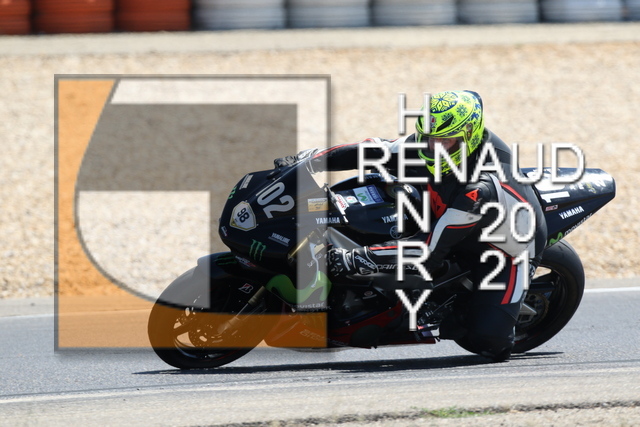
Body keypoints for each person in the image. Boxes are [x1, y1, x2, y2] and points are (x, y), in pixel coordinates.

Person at [274, 90, 547, 362]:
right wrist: (309, 160)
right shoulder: (430, 145)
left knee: (488, 342)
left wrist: (354, 258)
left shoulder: (480, 187)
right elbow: (371, 150)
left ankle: (458, 305)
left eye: (445, 141)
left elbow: (430, 250)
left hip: (505, 249)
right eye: (430, 139)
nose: (434, 147)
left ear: (469, 135)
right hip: (449, 214)